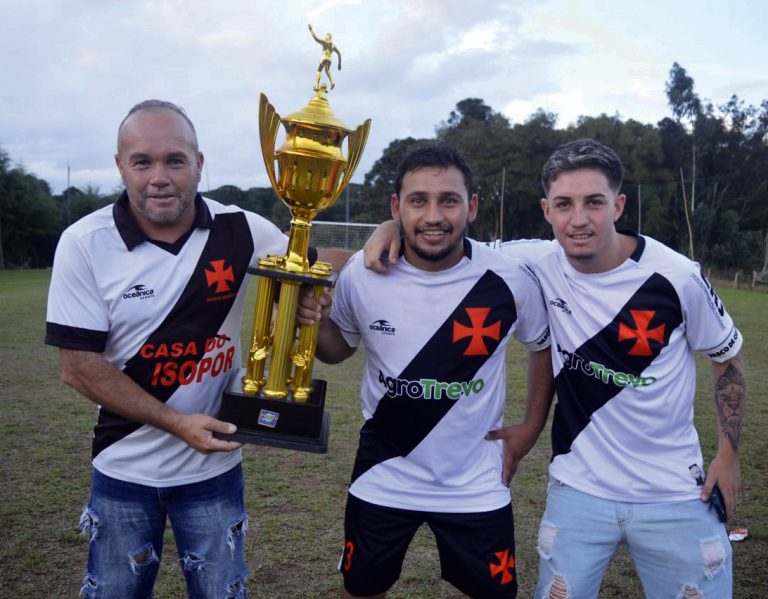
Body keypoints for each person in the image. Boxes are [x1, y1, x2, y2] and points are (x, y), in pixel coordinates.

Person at [364, 138, 747, 598]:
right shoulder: (532, 261)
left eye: (594, 203)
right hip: (577, 489)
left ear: (619, 205)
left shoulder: (678, 276)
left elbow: (726, 357)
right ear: (547, 210)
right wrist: (389, 227)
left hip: (675, 492)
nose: (578, 220)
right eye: (564, 204)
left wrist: (728, 455)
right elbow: (444, 235)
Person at [44, 99, 347, 598]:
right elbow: (78, 368)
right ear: (122, 166)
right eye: (142, 161)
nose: (159, 176)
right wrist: (179, 424)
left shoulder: (243, 230)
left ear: (199, 164)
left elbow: (315, 259)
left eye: (175, 160)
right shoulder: (84, 242)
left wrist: (372, 248)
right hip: (123, 468)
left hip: (213, 473)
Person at [311, 143, 553, 598]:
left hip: (476, 481)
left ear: (472, 207)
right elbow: (337, 350)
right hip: (384, 472)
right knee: (361, 590)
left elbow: (543, 346)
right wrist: (315, 320)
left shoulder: (509, 278)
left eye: (449, 200)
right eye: (417, 200)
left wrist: (531, 427)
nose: (433, 215)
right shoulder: (363, 275)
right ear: (396, 208)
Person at [308, 24, 341, 91]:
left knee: (319, 71)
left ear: (327, 37)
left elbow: (316, 39)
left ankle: (317, 85)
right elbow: (339, 54)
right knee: (327, 70)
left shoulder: (325, 42)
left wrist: (311, 30)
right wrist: (339, 64)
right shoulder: (333, 45)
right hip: (329, 60)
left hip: (324, 58)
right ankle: (332, 82)